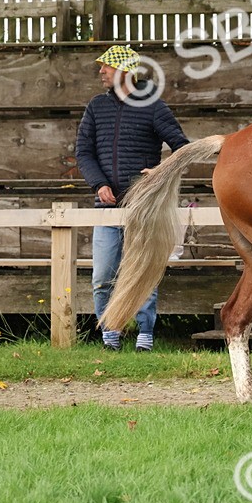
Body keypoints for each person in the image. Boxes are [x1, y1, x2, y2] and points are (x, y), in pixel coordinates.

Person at [75, 46, 189, 351]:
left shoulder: (153, 105)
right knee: (102, 277)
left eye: (107, 67)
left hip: (143, 208)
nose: (101, 71)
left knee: (142, 272)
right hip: (106, 209)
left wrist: (161, 172)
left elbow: (182, 147)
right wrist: (99, 184)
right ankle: (109, 334)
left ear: (125, 71)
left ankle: (145, 335)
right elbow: (83, 152)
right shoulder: (96, 107)